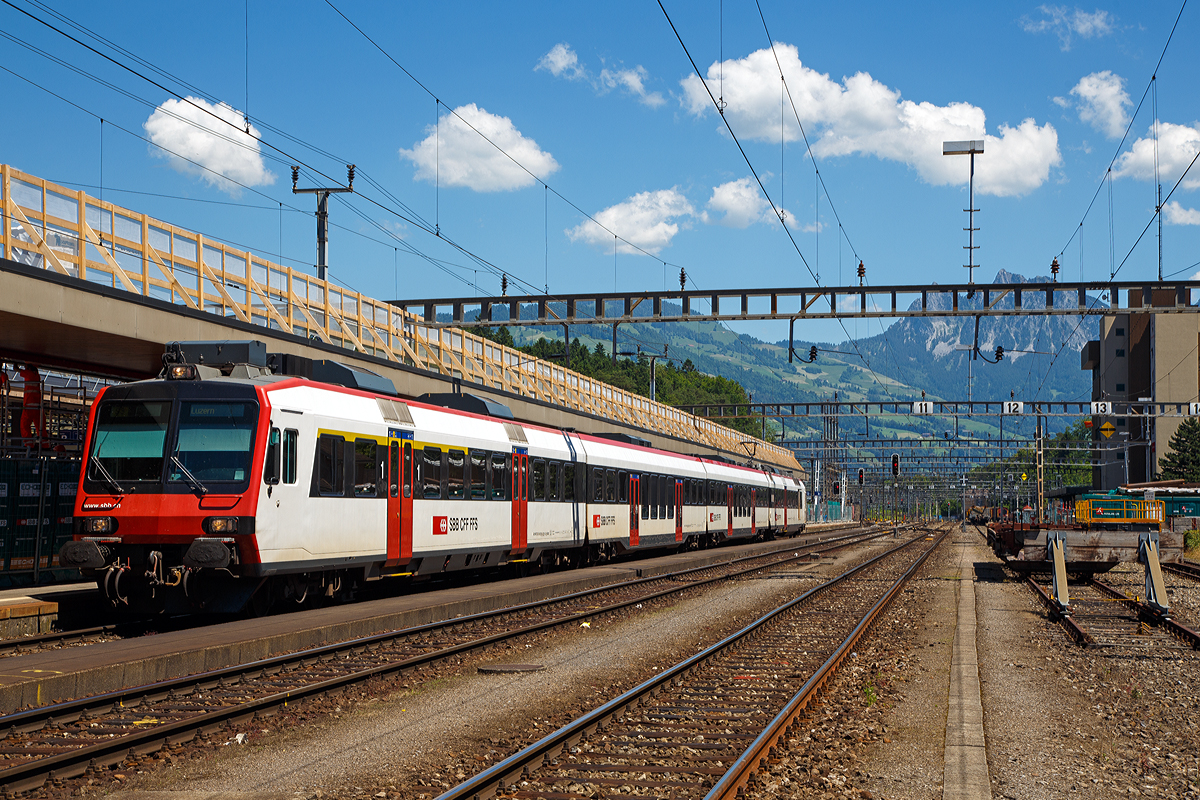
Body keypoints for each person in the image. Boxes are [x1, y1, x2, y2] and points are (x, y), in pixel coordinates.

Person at [17, 365, 43, 445]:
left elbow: (17, 370)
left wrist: (15, 364)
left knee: (24, 425)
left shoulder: (29, 374)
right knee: (40, 427)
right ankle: (45, 444)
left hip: (29, 405)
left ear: (29, 368)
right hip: (37, 407)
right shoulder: (37, 376)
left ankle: (28, 444)